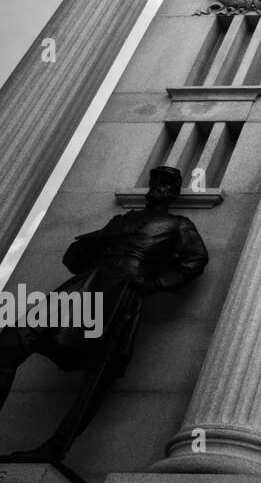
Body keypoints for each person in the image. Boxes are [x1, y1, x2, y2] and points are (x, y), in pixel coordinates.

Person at [0, 166, 208, 462]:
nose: (159, 189)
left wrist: (154, 282)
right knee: (11, 340)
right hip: (85, 284)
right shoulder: (122, 220)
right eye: (156, 183)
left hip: (124, 291)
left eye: (166, 185)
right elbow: (74, 260)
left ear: (174, 192)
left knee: (100, 369)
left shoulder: (178, 225)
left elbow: (195, 259)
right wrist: (90, 242)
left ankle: (56, 446)